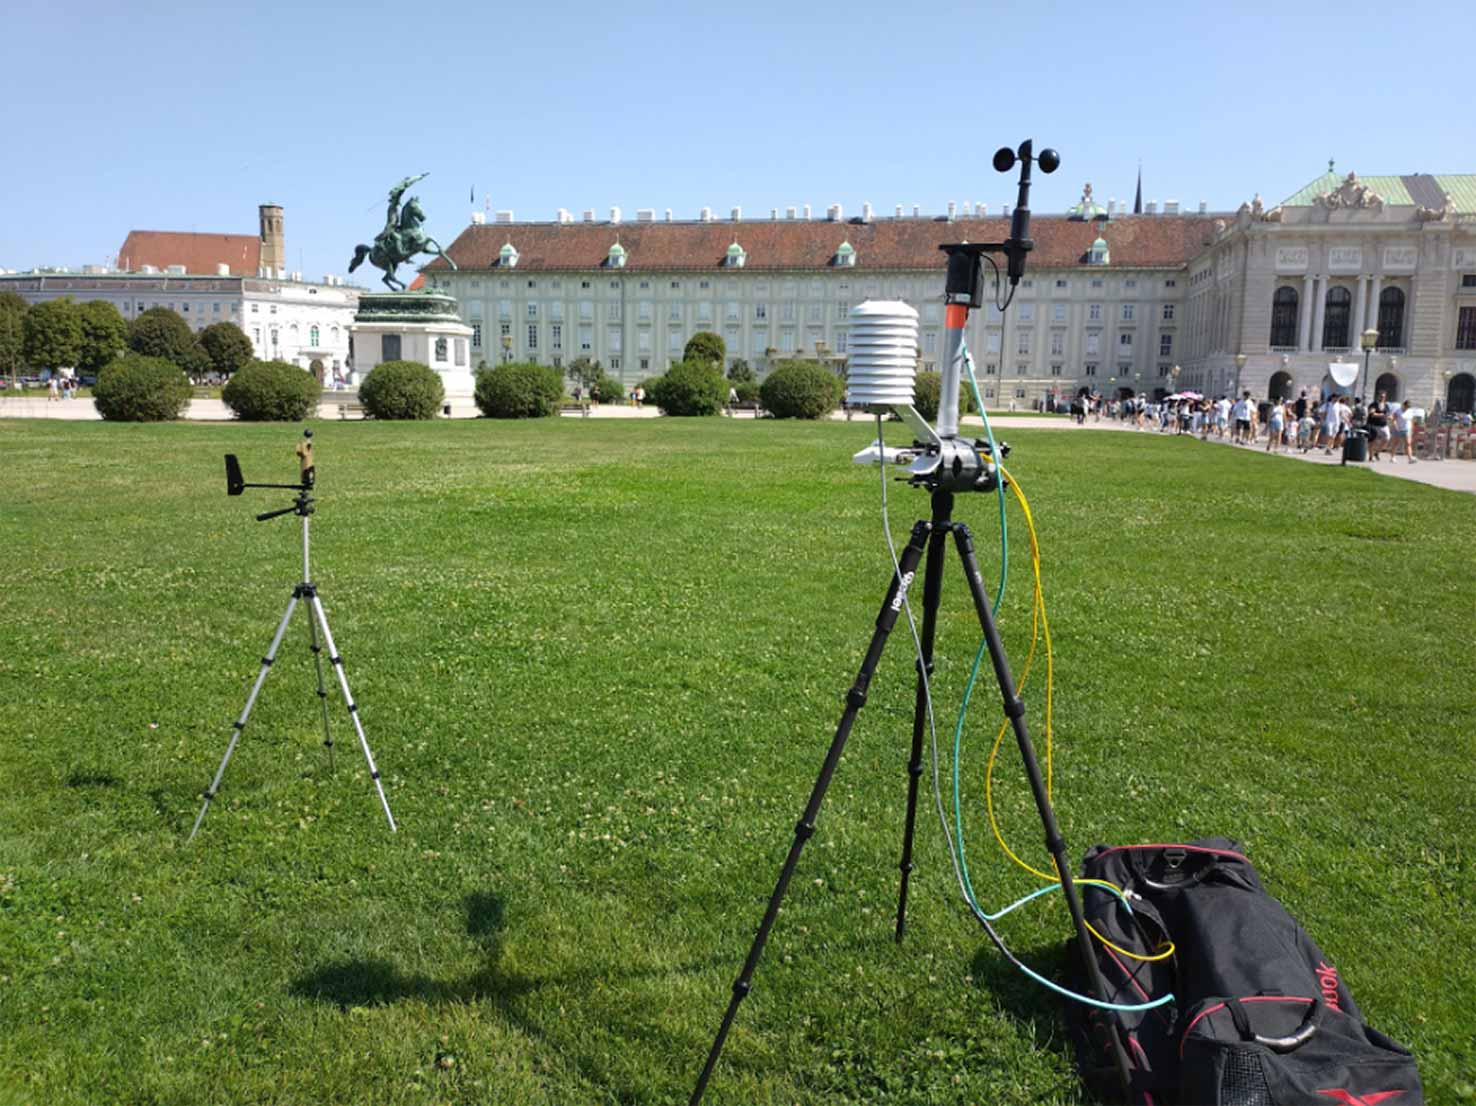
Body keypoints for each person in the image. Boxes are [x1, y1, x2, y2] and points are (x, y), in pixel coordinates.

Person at [1366, 391, 1392, 461]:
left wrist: (1390, 417)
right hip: (1374, 425)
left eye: (1383, 397)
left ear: (1385, 397)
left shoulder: (1386, 405)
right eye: (1381, 396)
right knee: (1372, 441)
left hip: (1384, 425)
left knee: (1387, 438)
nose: (1382, 398)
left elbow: (1388, 414)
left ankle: (1377, 452)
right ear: (1378, 397)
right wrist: (1383, 415)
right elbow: (1372, 414)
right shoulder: (1373, 405)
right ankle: (1370, 457)